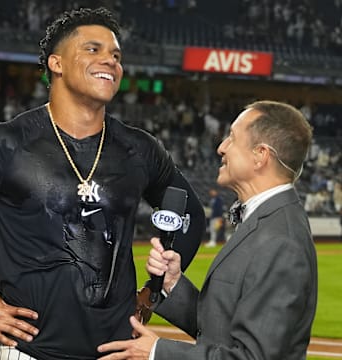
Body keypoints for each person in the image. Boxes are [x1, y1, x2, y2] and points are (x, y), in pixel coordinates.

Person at [0, 7, 205, 360]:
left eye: (116, 55)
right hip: (25, 352)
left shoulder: (140, 149)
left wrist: (153, 292)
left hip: (116, 351)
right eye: (93, 49)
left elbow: (191, 214)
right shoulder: (2, 143)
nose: (110, 61)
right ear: (56, 63)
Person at [97, 100, 318, 360]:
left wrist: (158, 352)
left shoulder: (281, 241)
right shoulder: (267, 223)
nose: (221, 147)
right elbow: (220, 330)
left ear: (260, 155)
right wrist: (173, 283)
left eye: (232, 138)